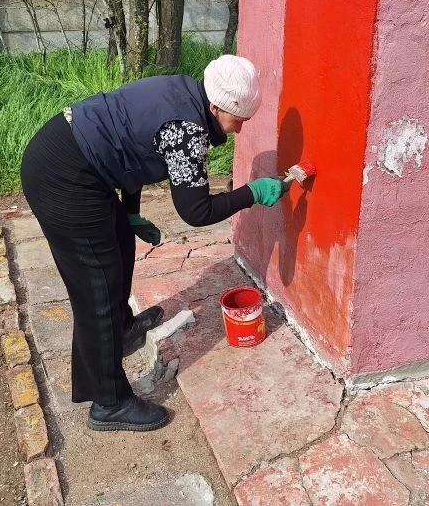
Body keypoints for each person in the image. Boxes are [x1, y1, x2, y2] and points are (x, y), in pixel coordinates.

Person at [20, 55, 286, 432]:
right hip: (62, 175)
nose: (240, 129)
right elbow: (196, 210)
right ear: (215, 107)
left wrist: (129, 214)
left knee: (119, 246)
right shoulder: (187, 129)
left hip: (78, 159)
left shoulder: (183, 91)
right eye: (237, 119)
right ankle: (109, 402)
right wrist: (252, 193)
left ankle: (123, 329)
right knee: (97, 288)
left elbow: (131, 147)